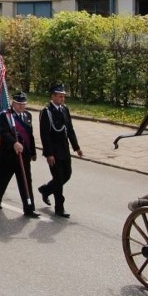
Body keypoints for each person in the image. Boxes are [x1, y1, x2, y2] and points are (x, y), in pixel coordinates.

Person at [38, 84, 83, 218]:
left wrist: (77, 147)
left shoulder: (65, 109)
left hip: (64, 149)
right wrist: (49, 153)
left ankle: (45, 190)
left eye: (64, 96)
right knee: (58, 179)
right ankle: (59, 207)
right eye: (60, 96)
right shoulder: (46, 111)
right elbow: (44, 134)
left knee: (67, 175)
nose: (62, 99)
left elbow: (70, 129)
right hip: (53, 151)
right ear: (53, 96)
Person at [0, 92, 40, 218]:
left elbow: (30, 135)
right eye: (19, 104)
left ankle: (29, 208)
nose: (21, 107)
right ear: (13, 103)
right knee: (3, 179)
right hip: (8, 154)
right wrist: (14, 143)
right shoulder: (5, 115)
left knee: (26, 181)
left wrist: (33, 152)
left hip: (23, 155)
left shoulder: (28, 115)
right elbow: (4, 132)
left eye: (23, 104)